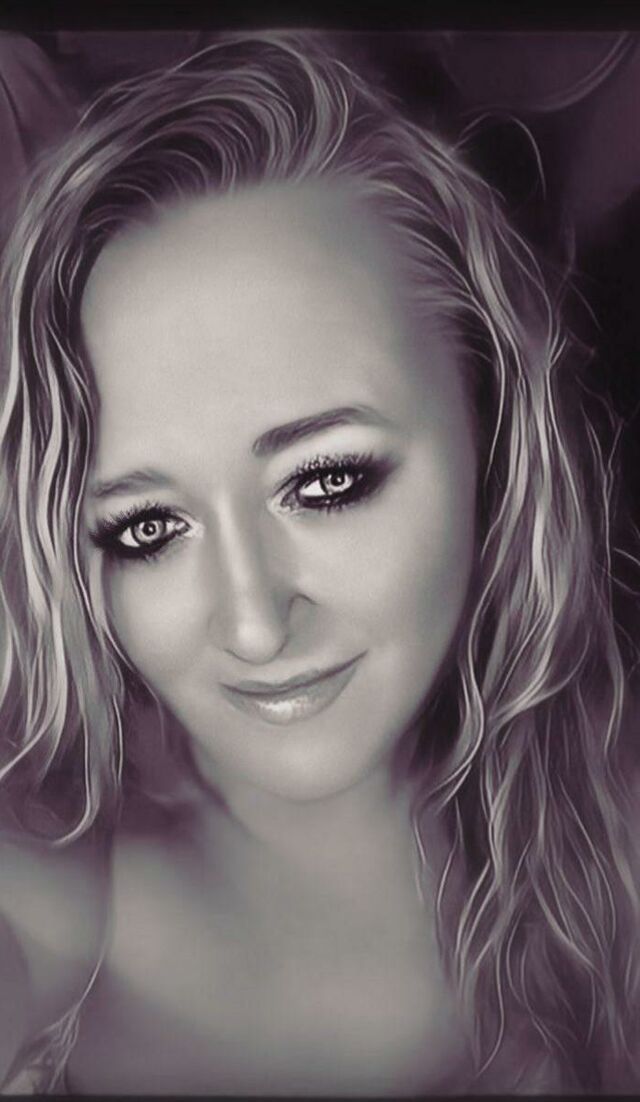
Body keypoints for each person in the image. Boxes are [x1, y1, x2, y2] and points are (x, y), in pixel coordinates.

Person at [0, 30, 638, 1096]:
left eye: (327, 480)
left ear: (489, 420)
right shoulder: (57, 884)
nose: (253, 623)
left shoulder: (613, 815)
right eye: (146, 528)